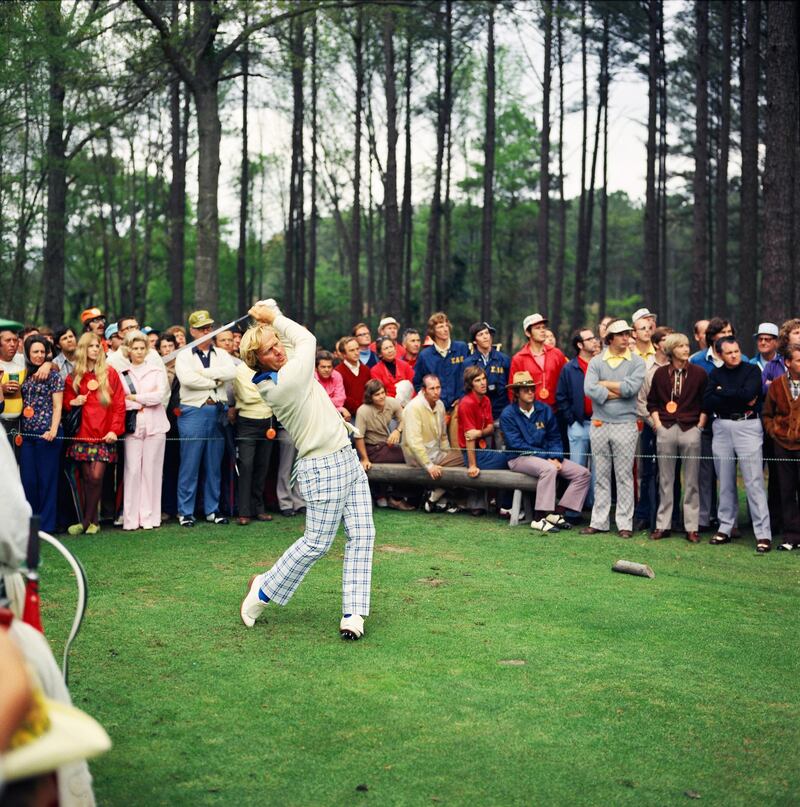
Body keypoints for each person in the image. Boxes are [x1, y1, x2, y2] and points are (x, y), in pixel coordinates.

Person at [239, 300, 376, 641]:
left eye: (276, 345)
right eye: (269, 351)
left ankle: (353, 613)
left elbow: (290, 340)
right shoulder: (281, 382)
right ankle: (262, 589)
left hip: (345, 455)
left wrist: (269, 311)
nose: (277, 352)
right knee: (317, 543)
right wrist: (275, 317)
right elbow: (307, 340)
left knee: (363, 534)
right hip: (321, 465)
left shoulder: (284, 365)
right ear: (258, 360)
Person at [703, 336, 772, 553]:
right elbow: (708, 400)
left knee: (754, 481)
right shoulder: (715, 374)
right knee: (724, 480)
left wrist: (723, 392)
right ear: (720, 354)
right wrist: (733, 395)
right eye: (729, 352)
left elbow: (750, 394)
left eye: (736, 350)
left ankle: (763, 534)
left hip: (748, 425)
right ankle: (725, 527)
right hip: (722, 426)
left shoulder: (752, 371)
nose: (734, 355)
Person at [501, 371, 591, 532]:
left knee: (583, 473)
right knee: (548, 469)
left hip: (547, 458)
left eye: (532, 389)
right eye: (525, 389)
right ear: (516, 393)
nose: (530, 392)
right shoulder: (508, 414)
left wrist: (555, 457)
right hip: (519, 458)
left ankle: (556, 513)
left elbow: (555, 437)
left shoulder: (544, 409)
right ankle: (538, 518)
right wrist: (547, 458)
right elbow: (517, 444)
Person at [581, 319, 646, 537]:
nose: (627, 337)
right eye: (621, 334)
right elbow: (589, 389)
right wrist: (616, 392)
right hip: (599, 424)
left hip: (626, 424)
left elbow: (631, 389)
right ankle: (599, 521)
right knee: (601, 474)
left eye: (628, 334)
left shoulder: (636, 362)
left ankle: (624, 523)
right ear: (610, 338)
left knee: (624, 475)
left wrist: (605, 384)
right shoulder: (597, 361)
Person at [174, 310, 237, 527]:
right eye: (201, 328)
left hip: (217, 411)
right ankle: (185, 512)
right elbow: (187, 380)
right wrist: (214, 380)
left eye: (209, 327)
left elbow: (232, 372)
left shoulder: (221, 353)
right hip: (193, 411)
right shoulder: (184, 355)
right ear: (192, 331)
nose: (206, 332)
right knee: (190, 464)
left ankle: (212, 509)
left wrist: (205, 375)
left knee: (214, 463)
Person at [646, 333, 708, 542]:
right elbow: (651, 402)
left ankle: (691, 526)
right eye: (680, 346)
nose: (685, 349)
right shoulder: (661, 374)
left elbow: (705, 402)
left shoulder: (699, 373)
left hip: (691, 428)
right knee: (665, 479)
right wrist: (658, 425)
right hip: (666, 427)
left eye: (687, 345)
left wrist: (699, 426)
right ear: (671, 351)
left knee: (691, 480)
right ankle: (663, 525)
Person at [63, 332, 126, 535]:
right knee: (87, 477)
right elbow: (65, 403)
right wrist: (73, 402)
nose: (95, 349)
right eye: (91, 346)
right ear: (83, 349)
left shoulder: (111, 373)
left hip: (103, 434)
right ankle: (90, 521)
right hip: (82, 433)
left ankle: (89, 521)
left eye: (98, 346)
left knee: (97, 476)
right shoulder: (73, 376)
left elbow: (119, 405)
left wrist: (114, 430)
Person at [120, 331, 169, 531]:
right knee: (132, 470)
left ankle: (150, 518)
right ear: (128, 350)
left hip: (156, 425)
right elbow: (120, 401)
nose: (139, 352)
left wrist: (136, 399)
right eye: (135, 348)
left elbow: (159, 396)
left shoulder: (157, 371)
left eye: (142, 348)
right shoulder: (122, 374)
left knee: (152, 471)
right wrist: (141, 400)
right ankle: (131, 519)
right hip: (133, 426)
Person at [19, 336, 64, 534]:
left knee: (47, 481)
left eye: (41, 352)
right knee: (28, 481)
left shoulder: (53, 375)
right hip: (27, 435)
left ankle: (47, 527)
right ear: (28, 353)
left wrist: (53, 430)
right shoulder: (23, 374)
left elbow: (57, 405)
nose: (38, 355)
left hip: (47, 434)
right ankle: (32, 524)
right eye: (34, 352)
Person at [354, 379, 415, 510]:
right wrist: (364, 458)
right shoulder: (363, 411)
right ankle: (396, 498)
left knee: (412, 455)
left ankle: (394, 495)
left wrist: (397, 431)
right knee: (407, 457)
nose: (381, 396)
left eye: (382, 393)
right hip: (373, 448)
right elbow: (359, 437)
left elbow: (405, 418)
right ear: (370, 397)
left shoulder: (391, 402)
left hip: (387, 445)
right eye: (377, 394)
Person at [762, 344, 800, 551]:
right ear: (788, 363)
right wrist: (773, 432)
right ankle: (791, 536)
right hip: (782, 445)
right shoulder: (777, 385)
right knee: (785, 491)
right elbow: (767, 413)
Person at [457, 366, 508, 516]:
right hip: (471, 454)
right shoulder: (467, 403)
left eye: (484, 379)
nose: (483, 383)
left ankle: (501, 504)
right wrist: (472, 465)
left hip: (483, 450)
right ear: (470, 384)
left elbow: (491, 428)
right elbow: (469, 439)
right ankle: (505, 506)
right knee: (509, 459)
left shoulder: (485, 399)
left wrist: (480, 432)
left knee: (510, 458)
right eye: (477, 380)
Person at [233, 359, 276, 526]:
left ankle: (259, 508)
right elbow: (247, 396)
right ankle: (244, 512)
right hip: (247, 421)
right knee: (246, 466)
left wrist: (267, 394)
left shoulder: (268, 366)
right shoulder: (241, 369)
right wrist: (267, 393)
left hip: (268, 421)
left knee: (262, 466)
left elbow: (277, 393)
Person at [508, 313, 567, 415]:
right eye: (537, 328)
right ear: (528, 333)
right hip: (530, 413)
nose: (542, 330)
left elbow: (566, 382)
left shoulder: (557, 354)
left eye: (544, 327)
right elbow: (512, 391)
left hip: (556, 412)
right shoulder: (518, 358)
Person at [412, 311, 470, 411]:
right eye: (440, 327)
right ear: (433, 331)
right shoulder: (425, 356)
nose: (445, 329)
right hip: (435, 407)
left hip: (460, 405)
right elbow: (418, 383)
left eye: (446, 325)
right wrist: (431, 401)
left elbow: (471, 377)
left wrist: (462, 397)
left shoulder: (462, 348)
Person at [463, 321, 510, 425]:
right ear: (474, 341)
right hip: (478, 415)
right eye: (481, 334)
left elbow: (510, 387)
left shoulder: (504, 359)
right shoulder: (468, 363)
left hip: (501, 413)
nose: (485, 337)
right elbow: (464, 391)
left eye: (487, 333)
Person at [334, 335, 371, 421]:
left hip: (368, 413)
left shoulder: (365, 369)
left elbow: (370, 391)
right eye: (352, 350)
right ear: (343, 354)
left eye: (357, 349)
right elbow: (342, 397)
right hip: (350, 416)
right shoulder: (338, 372)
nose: (356, 352)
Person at [370, 336, 414, 403]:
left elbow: (414, 383)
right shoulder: (375, 370)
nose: (390, 350)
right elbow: (379, 392)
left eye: (391, 347)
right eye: (386, 348)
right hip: (388, 404)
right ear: (380, 354)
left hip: (409, 402)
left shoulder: (405, 365)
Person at [315, 350, 348, 418]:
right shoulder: (312, 378)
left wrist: (323, 401)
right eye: (323, 367)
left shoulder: (337, 375)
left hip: (334, 413)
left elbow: (340, 400)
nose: (327, 370)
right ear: (316, 368)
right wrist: (339, 409)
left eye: (329, 367)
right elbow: (315, 403)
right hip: (316, 414)